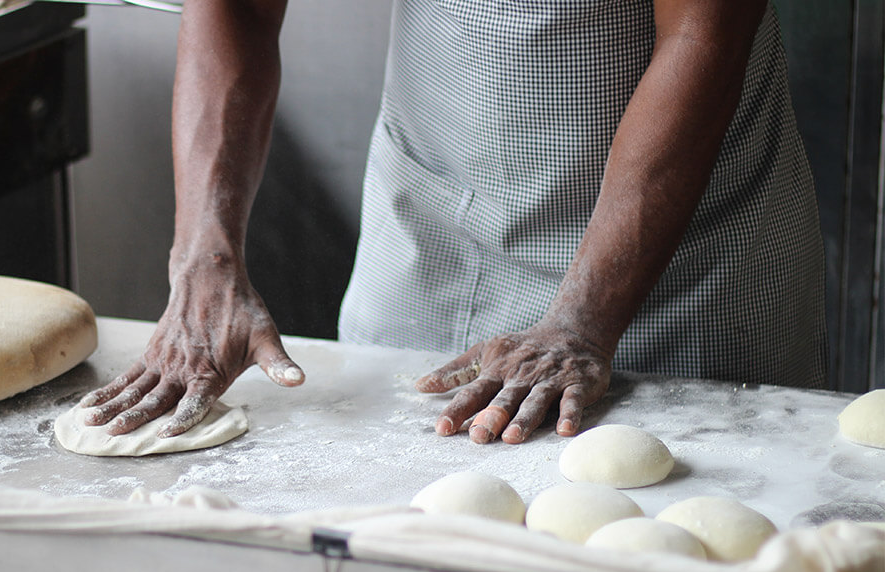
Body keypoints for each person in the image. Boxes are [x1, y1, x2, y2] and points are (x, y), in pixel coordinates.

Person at [76, 0, 827, 445]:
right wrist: (204, 257)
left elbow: (704, 32)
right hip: (432, 220)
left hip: (682, 261)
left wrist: (584, 320)